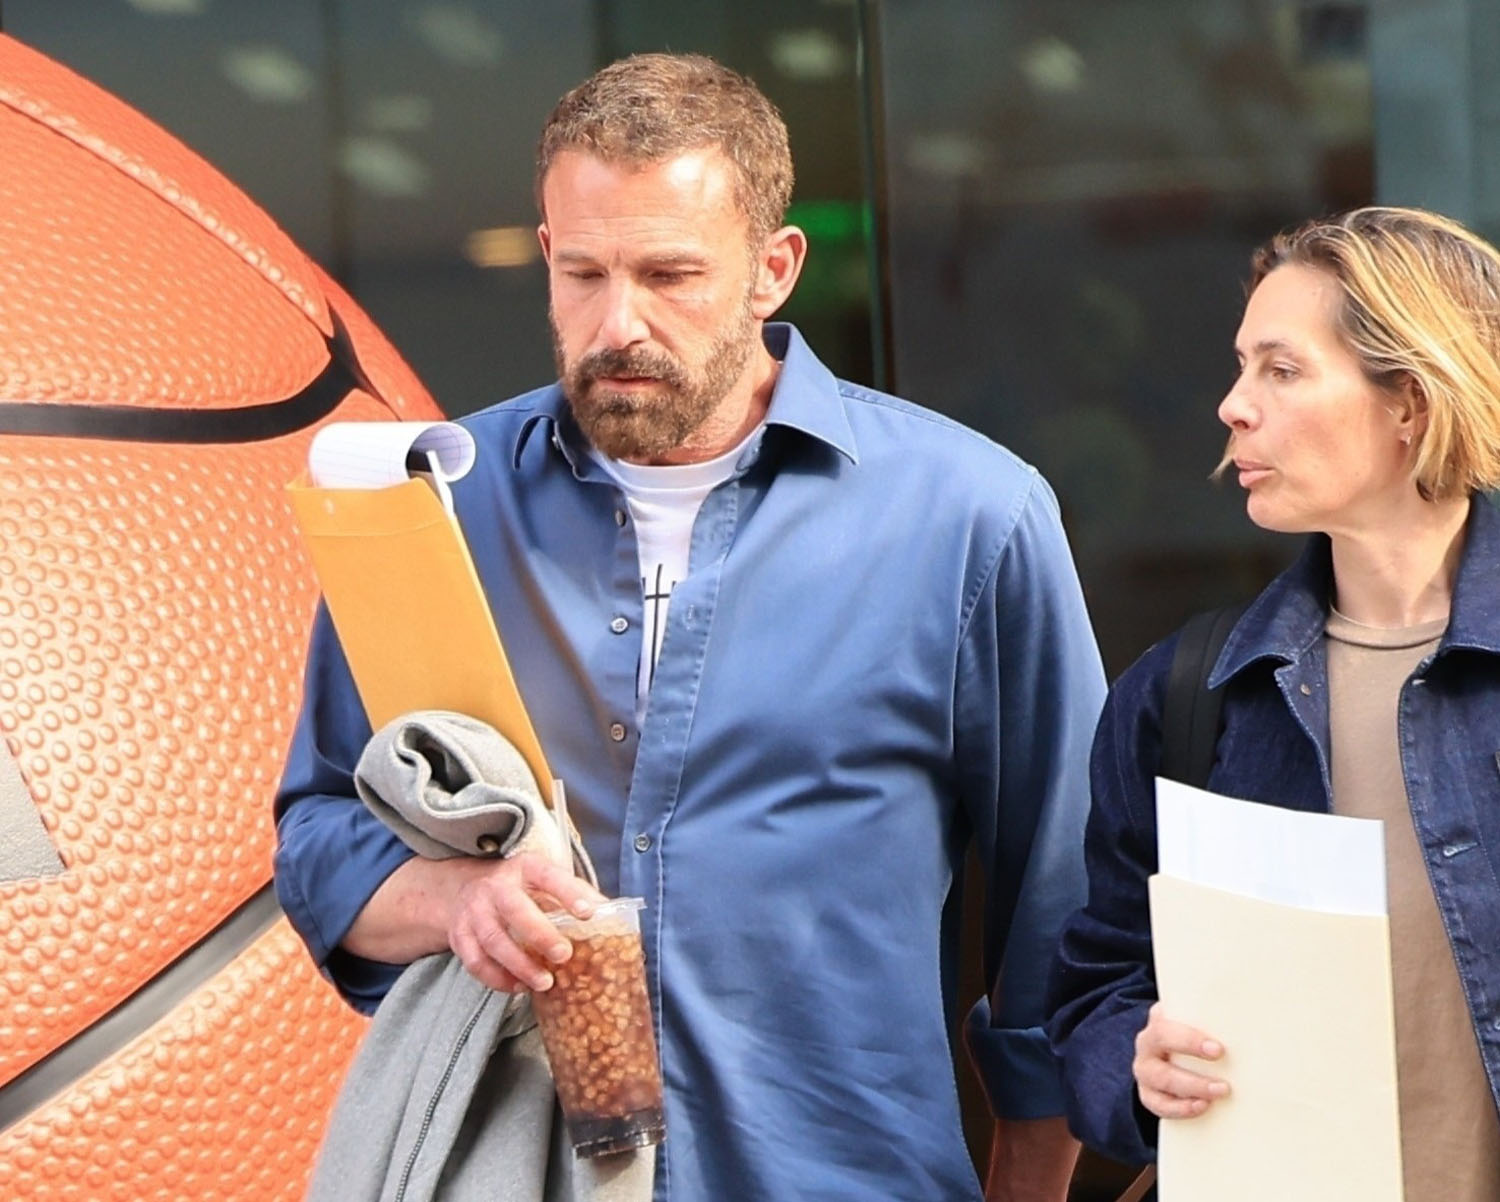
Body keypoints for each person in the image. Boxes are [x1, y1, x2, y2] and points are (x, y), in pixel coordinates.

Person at [274, 52, 1105, 1202]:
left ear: (774, 268)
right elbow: (318, 835)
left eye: (670, 274)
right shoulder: (432, 505)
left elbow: (1064, 913)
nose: (618, 323)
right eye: (582, 273)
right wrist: (458, 901)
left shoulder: (971, 516)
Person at [1047, 206, 1500, 1202]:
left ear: (1411, 400)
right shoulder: (1188, 693)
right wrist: (1138, 1063)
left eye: (1282, 369)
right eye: (1241, 366)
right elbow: (1098, 987)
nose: (1233, 405)